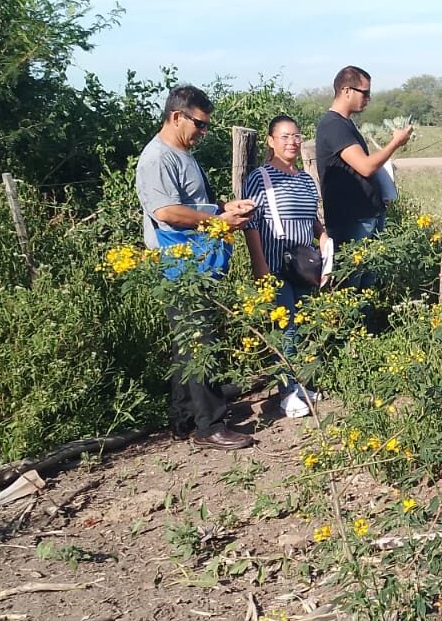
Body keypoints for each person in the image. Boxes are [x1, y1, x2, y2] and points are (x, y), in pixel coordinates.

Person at [134, 84, 259, 450]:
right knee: (198, 342)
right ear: (176, 117)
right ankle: (210, 426)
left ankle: (184, 419)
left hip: (194, 263)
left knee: (186, 345)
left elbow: (195, 203)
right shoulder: (157, 158)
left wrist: (226, 208)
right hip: (180, 266)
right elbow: (166, 212)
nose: (203, 132)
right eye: (200, 124)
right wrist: (217, 224)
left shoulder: (182, 153)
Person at [242, 115, 328, 419]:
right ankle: (286, 392)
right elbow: (251, 224)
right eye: (284, 136)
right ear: (271, 141)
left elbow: (313, 219)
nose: (291, 142)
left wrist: (324, 243)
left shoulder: (305, 178)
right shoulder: (260, 177)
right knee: (285, 329)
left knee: (305, 325)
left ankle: (302, 384)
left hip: (304, 266)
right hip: (276, 265)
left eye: (296, 136)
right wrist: (260, 264)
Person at [315, 65, 414, 248]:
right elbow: (365, 167)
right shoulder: (334, 125)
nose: (368, 98)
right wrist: (395, 143)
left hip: (365, 216)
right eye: (364, 93)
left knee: (369, 275)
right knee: (354, 275)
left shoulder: (345, 123)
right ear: (346, 91)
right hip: (352, 220)